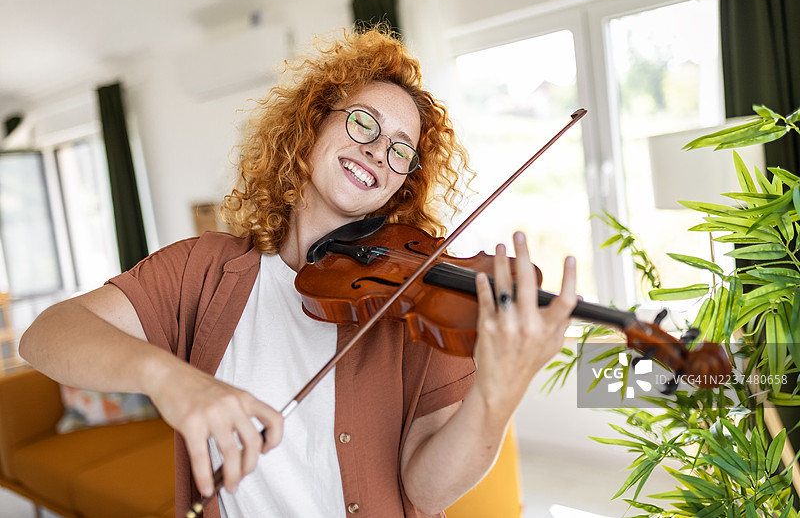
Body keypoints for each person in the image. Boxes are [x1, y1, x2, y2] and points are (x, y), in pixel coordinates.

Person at [19, 27, 577, 518]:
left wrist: (496, 397)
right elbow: (44, 335)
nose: (378, 151)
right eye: (364, 123)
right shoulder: (202, 269)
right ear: (311, 124)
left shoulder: (418, 300)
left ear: (401, 183)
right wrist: (170, 380)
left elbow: (426, 490)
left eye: (401, 150)